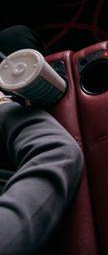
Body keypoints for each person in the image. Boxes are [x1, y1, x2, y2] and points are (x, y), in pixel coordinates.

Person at [0, 25, 83, 255]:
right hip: (21, 157)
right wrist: (4, 106)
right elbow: (58, 154)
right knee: (17, 39)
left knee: (11, 37)